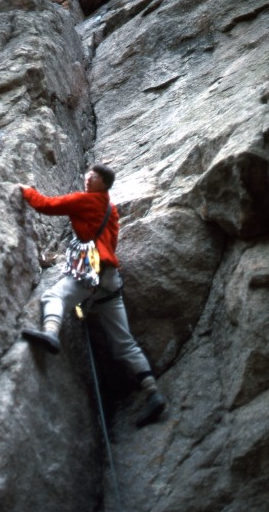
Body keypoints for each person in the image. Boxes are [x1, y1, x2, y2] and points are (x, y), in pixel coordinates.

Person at [18, 164, 165, 426]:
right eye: (88, 175)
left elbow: (46, 205)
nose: (88, 178)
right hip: (110, 279)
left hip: (92, 274)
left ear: (103, 183)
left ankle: (50, 334)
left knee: (54, 297)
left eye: (93, 176)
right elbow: (112, 242)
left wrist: (26, 191)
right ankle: (152, 392)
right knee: (124, 342)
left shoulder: (85, 201)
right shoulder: (112, 209)